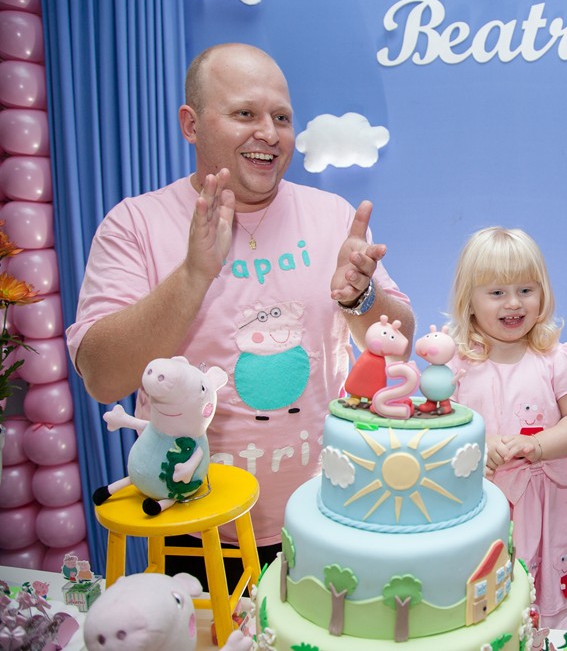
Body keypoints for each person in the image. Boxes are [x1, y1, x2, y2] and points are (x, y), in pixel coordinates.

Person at [66, 43, 414, 586]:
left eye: (281, 117)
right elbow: (102, 377)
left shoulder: (331, 216)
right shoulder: (134, 223)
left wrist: (359, 299)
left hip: (328, 512)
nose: (269, 133)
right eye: (245, 113)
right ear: (191, 123)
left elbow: (401, 340)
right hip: (195, 525)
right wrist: (192, 276)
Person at [446, 227, 567, 630]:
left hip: (545, 507)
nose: (513, 303)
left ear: (542, 294)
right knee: (481, 607)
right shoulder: (456, 363)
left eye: (526, 290)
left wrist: (541, 446)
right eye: (497, 292)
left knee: (542, 609)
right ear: (470, 302)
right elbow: (435, 427)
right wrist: (480, 442)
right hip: (479, 505)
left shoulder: (554, 358)